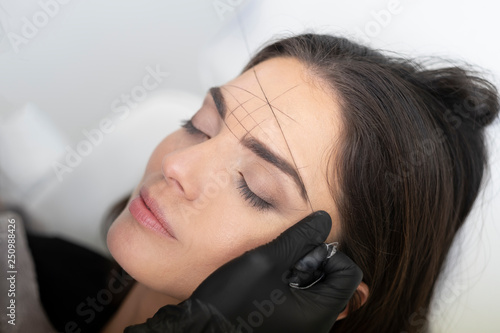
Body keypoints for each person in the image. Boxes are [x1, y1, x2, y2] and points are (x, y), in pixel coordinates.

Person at [27, 33, 500, 332]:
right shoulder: (21, 272)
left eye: (254, 187)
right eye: (198, 125)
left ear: (326, 294)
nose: (178, 167)